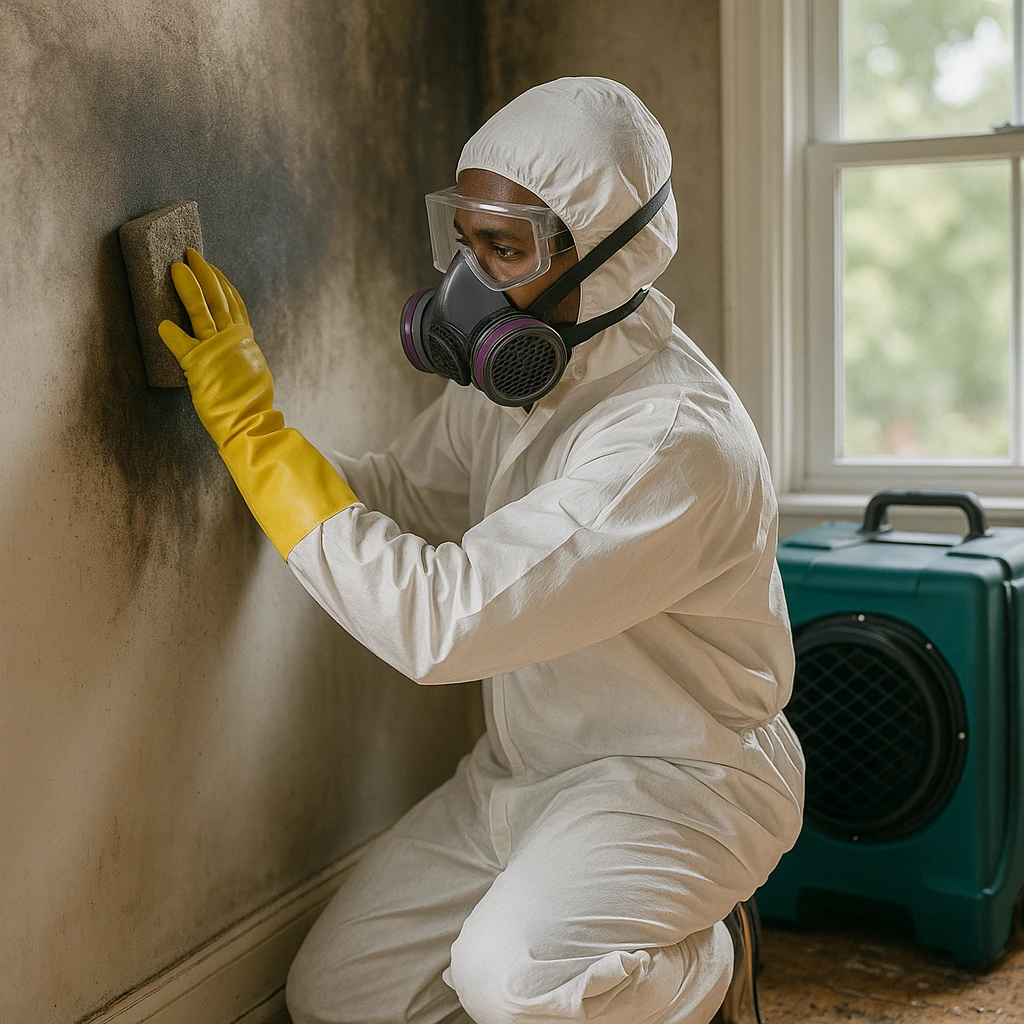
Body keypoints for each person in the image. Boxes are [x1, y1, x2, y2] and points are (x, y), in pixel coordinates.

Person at [160, 77, 804, 1024]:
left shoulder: (669, 447)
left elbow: (445, 620)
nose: (469, 282)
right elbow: (404, 492)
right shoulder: (519, 383)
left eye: (505, 249)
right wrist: (258, 435)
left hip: (677, 782)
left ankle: (701, 960)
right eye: (465, 240)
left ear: (611, 256)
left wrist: (261, 443)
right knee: (341, 995)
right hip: (524, 770)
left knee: (516, 987)